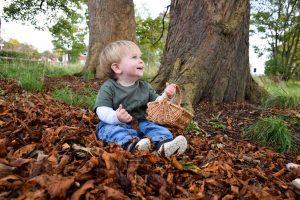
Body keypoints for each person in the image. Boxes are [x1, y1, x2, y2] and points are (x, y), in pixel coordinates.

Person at [94, 40, 187, 157]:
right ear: (117, 68)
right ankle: (131, 146)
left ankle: (164, 145)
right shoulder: (109, 87)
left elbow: (157, 103)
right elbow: (101, 109)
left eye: (140, 57)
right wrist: (116, 117)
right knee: (112, 131)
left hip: (141, 122)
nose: (141, 60)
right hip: (115, 124)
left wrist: (166, 96)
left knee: (156, 129)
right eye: (134, 57)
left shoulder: (144, 86)